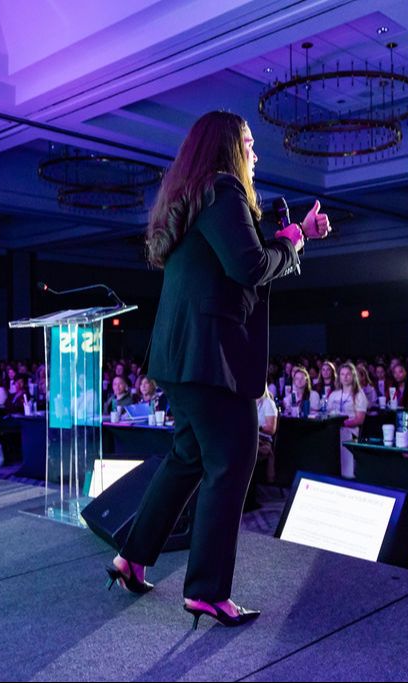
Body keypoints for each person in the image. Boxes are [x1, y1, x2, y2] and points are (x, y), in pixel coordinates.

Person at [106, 111, 330, 628]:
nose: (255, 153)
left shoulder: (192, 194)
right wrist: (294, 238)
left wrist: (293, 237)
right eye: (248, 144)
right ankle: (206, 591)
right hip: (212, 357)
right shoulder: (224, 189)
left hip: (182, 355)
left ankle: (133, 557)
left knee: (187, 457)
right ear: (228, 147)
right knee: (231, 462)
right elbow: (249, 267)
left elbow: (231, 264)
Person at [327, 362, 369, 478]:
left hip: (350, 431)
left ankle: (347, 476)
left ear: (353, 376)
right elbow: (327, 413)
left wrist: (341, 423)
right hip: (333, 430)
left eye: (348, 374)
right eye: (342, 374)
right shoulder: (334, 394)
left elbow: (359, 420)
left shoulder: (359, 395)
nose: (345, 377)